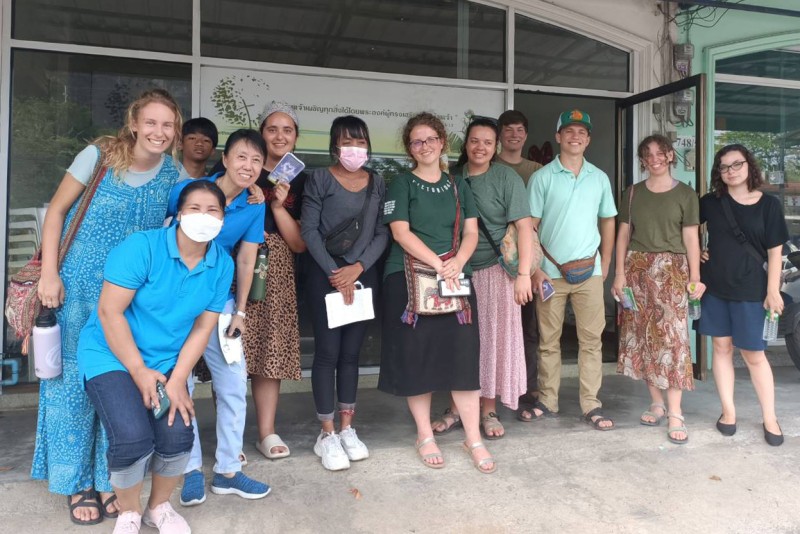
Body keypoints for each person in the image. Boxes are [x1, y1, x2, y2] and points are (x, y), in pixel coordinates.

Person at [32, 88, 186, 525]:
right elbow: (57, 211)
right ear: (135, 124)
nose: (159, 132)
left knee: (116, 384)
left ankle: (107, 478)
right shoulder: (99, 156)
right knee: (69, 387)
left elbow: (195, 213)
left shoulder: (171, 174)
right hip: (76, 287)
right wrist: (49, 274)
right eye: (151, 122)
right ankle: (75, 481)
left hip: (129, 298)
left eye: (168, 125)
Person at [79, 180, 234, 534]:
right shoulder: (143, 248)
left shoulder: (220, 264)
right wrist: (137, 369)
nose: (203, 216)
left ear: (223, 219)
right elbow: (109, 313)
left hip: (166, 364)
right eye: (194, 208)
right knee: (132, 437)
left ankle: (158, 508)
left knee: (178, 435)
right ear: (179, 214)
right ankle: (129, 512)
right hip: (111, 356)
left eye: (213, 210)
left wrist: (178, 379)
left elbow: (201, 329)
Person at [379, 111, 495, 474]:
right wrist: (438, 262)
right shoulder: (401, 183)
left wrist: (457, 260)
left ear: (442, 141)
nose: (424, 146)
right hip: (408, 277)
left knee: (463, 355)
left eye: (430, 138)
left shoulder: (459, 185)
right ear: (409, 148)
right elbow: (400, 232)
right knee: (418, 356)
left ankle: (473, 437)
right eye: (416, 141)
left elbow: (472, 232)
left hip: (454, 277)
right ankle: (425, 434)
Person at [168, 129, 270, 504]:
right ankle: (189, 468)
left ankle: (228, 470)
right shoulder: (192, 191)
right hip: (180, 301)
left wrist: (240, 310)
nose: (249, 166)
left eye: (257, 160)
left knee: (232, 382)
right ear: (225, 159)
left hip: (222, 302)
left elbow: (247, 257)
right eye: (242, 157)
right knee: (183, 383)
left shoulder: (254, 203)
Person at [432, 116, 534, 440]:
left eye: (488, 142)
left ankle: (488, 409)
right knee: (456, 342)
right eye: (475, 141)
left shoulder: (506, 178)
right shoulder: (451, 178)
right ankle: (455, 409)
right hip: (455, 272)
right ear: (467, 144)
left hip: (496, 272)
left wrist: (523, 276)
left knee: (492, 342)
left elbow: (525, 229)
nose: (481, 147)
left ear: (496, 147)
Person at [301, 115, 388, 471]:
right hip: (326, 275)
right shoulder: (318, 177)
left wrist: (358, 268)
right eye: (347, 141)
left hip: (362, 274)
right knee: (327, 353)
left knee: (352, 354)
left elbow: (382, 232)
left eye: (360, 141)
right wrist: (336, 273)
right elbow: (308, 230)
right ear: (335, 144)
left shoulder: (378, 182)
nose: (355, 148)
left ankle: (348, 428)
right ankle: (327, 433)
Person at [529, 109, 617, 430]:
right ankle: (547, 400)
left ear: (588, 139)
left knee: (591, 342)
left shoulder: (599, 178)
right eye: (569, 131)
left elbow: (608, 220)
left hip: (590, 273)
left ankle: (591, 404)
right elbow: (530, 228)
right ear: (558, 137)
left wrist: (605, 262)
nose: (575, 137)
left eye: (581, 132)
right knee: (548, 341)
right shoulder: (542, 178)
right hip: (550, 273)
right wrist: (535, 269)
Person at [613, 135, 703, 444]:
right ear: (642, 160)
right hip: (637, 269)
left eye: (660, 152)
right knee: (642, 337)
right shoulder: (632, 193)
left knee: (673, 339)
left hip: (673, 271)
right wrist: (619, 274)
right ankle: (656, 402)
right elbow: (623, 235)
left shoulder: (687, 194)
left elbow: (692, 239)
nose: (655, 158)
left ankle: (675, 411)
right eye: (648, 154)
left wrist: (696, 277)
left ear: (670, 156)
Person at [697, 144, 786, 447]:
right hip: (715, 287)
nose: (730, 171)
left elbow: (775, 252)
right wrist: (700, 253)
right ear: (718, 173)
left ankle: (770, 417)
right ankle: (728, 412)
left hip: (752, 290)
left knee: (753, 354)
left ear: (749, 165)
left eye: (736, 164)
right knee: (720, 349)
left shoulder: (769, 205)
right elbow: (687, 230)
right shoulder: (709, 202)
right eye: (724, 167)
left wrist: (773, 290)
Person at [244, 102, 307, 461]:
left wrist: (279, 206)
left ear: (296, 136)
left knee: (271, 347)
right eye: (272, 129)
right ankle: (230, 434)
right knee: (233, 350)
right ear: (261, 132)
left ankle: (266, 432)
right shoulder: (243, 168)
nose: (279, 136)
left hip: (278, 264)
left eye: (287, 130)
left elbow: (299, 243)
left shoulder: (304, 179)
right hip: (237, 261)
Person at [496, 109, 544, 421]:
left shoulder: (537, 171)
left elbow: (539, 224)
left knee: (528, 330)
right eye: (508, 130)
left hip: (526, 264)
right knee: (493, 330)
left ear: (525, 135)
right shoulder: (488, 166)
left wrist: (535, 267)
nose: (514, 135)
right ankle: (492, 390)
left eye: (519, 130)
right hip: (493, 261)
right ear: (500, 135)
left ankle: (526, 391)